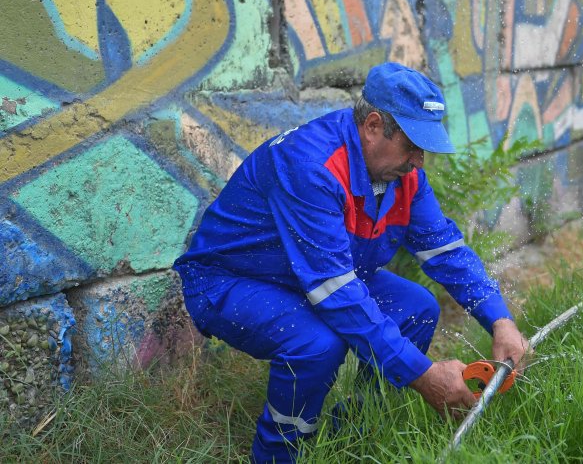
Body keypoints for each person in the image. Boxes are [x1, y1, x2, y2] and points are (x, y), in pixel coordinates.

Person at [173, 62, 530, 462]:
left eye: (424, 148)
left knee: (417, 309)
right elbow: (335, 291)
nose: (419, 161)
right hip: (231, 281)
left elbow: (445, 250)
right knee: (315, 343)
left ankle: (353, 440)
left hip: (312, 276)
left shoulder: (403, 176)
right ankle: (278, 454)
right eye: (413, 145)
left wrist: (501, 321)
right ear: (374, 125)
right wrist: (423, 375)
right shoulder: (312, 166)